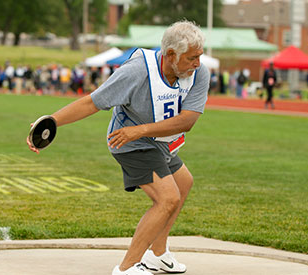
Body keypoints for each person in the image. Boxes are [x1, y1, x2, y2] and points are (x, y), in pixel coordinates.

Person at [27, 20, 209, 275]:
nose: (198, 63)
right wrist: (52, 121)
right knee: (168, 198)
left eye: (199, 56)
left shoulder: (198, 72)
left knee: (183, 183)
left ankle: (157, 254)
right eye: (191, 58)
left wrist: (141, 130)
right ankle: (127, 268)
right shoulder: (136, 72)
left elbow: (187, 120)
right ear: (170, 55)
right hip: (128, 142)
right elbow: (93, 102)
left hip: (153, 140)